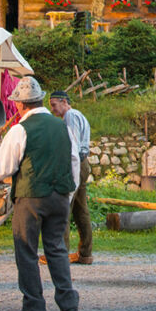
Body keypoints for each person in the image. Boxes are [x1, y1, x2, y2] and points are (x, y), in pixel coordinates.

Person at [0, 76, 80, 311]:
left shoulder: (20, 129)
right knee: (57, 249)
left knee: (27, 250)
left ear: (19, 105)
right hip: (61, 196)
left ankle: (34, 308)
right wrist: (68, 194)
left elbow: (1, 170)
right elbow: (75, 163)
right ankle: (68, 303)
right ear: (40, 99)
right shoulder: (64, 127)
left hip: (31, 197)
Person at [48, 90, 93, 265]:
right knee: (81, 209)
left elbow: (71, 144)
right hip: (84, 163)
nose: (52, 109)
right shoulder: (80, 115)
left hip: (75, 163)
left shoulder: (70, 117)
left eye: (54, 105)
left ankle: (61, 253)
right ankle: (85, 253)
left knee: (64, 207)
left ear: (64, 102)